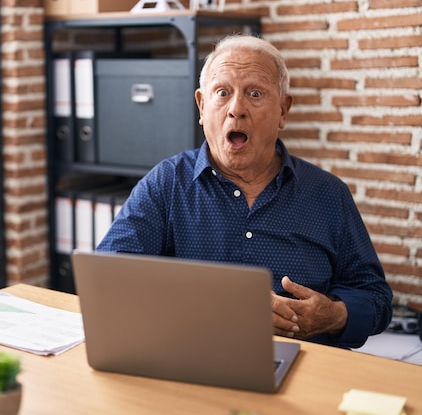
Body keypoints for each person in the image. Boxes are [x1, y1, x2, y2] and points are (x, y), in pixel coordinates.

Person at [96, 34, 393, 349]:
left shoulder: (328, 195)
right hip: (191, 356)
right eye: (222, 93)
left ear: (283, 110)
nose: (236, 109)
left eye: (255, 93)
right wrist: (212, 307)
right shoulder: (166, 184)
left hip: (306, 365)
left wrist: (334, 315)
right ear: (201, 105)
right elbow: (108, 279)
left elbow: (375, 298)